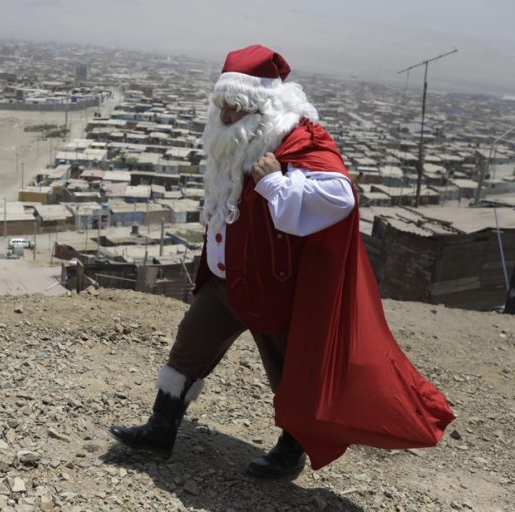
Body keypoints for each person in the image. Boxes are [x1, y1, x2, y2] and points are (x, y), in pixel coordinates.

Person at [109, 44, 455, 479]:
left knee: (289, 373)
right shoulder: (231, 139)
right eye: (223, 104)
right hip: (225, 279)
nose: (227, 114)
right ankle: (161, 431)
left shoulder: (298, 138)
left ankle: (291, 451)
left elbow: (340, 197)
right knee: (189, 346)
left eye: (237, 105)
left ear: (262, 103)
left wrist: (274, 182)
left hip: (274, 287)